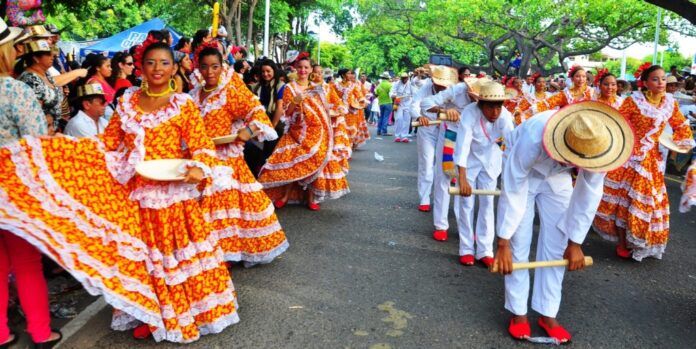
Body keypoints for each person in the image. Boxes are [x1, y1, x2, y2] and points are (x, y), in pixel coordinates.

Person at [0, 39, 241, 343]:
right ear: (140, 66)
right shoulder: (127, 102)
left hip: (173, 195)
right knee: (144, 259)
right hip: (137, 193)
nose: (157, 69)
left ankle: (183, 312)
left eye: (164, 63)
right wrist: (69, 150)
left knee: (174, 256)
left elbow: (202, 146)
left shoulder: (183, 104)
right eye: (151, 62)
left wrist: (199, 168)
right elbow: (109, 143)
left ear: (173, 69)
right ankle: (150, 315)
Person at [495, 101, 634, 343]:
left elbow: (587, 196)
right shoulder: (534, 135)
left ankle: (547, 313)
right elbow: (513, 188)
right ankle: (518, 313)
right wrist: (503, 242)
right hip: (524, 173)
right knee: (519, 240)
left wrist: (576, 242)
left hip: (558, 176)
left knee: (558, 244)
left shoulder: (600, 145)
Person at [190, 47, 288, 264]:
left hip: (226, 159)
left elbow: (257, 112)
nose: (209, 72)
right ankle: (208, 252)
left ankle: (226, 253)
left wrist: (249, 131)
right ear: (198, 68)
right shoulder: (192, 96)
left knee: (224, 206)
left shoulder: (229, 92)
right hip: (199, 158)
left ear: (222, 66)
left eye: (214, 66)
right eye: (204, 67)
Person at [0, 18, 63, 349]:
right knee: (26, 263)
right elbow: (38, 144)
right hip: (13, 192)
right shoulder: (14, 90)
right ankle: (40, 333)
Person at [592, 64, 695, 260]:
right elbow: (618, 124)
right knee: (623, 202)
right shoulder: (634, 101)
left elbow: (681, 125)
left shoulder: (670, 103)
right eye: (655, 79)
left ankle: (639, 241)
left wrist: (683, 143)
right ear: (645, 83)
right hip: (630, 158)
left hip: (653, 161)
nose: (661, 83)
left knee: (649, 203)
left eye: (663, 79)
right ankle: (623, 243)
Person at [257, 53, 333, 210]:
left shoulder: (316, 88)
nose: (303, 70)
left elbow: (325, 111)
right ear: (296, 68)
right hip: (295, 132)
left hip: (316, 132)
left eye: (306, 67)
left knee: (314, 161)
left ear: (311, 69)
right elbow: (286, 112)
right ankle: (284, 196)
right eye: (300, 67)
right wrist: (295, 101)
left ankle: (311, 198)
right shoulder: (289, 87)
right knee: (292, 163)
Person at [453, 82, 514, 267]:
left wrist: (513, 181)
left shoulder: (505, 116)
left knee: (487, 204)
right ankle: (466, 249)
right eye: (490, 107)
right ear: (481, 104)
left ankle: (485, 250)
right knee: (466, 204)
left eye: (498, 106)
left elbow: (512, 146)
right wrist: (462, 179)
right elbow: (462, 146)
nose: (495, 112)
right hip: (469, 162)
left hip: (491, 162)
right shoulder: (470, 113)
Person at [421, 78, 474, 241]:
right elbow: (425, 103)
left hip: (473, 141)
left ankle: (465, 227)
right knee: (444, 180)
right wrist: (443, 111)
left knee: (466, 184)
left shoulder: (492, 97)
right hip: (451, 135)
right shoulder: (457, 90)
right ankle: (441, 225)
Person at [413, 66, 457, 212]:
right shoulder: (425, 88)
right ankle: (424, 198)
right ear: (433, 80)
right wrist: (419, 117)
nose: (441, 87)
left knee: (443, 165)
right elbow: (414, 104)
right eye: (439, 83)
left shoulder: (453, 90)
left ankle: (441, 200)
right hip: (428, 128)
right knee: (426, 163)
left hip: (446, 129)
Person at [248, 58, 286, 175]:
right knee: (260, 150)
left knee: (270, 153)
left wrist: (272, 126)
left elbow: (279, 108)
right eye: (263, 71)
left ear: (274, 71)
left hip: (275, 123)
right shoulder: (257, 87)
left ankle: (269, 178)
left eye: (268, 71)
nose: (265, 74)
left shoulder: (280, 86)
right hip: (260, 122)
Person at [17, 39, 63, 134]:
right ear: (35, 58)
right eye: (48, 54)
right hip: (42, 133)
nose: (52, 57)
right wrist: (47, 122)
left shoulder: (47, 73)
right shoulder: (30, 79)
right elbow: (33, 115)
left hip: (54, 130)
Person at [334, 68, 363, 148]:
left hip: (351, 111)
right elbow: (332, 97)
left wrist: (362, 101)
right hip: (340, 111)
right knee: (341, 129)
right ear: (343, 75)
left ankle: (348, 148)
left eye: (351, 73)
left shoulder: (353, 85)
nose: (351, 75)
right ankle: (342, 148)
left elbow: (359, 95)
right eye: (348, 74)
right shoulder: (335, 85)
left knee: (351, 130)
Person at [390, 72, 417, 143]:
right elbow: (391, 92)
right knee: (399, 119)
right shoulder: (396, 83)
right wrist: (393, 95)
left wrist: (413, 98)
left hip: (408, 104)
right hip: (398, 103)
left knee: (407, 120)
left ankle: (404, 136)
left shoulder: (410, 84)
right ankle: (397, 136)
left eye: (405, 78)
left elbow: (414, 93)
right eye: (403, 78)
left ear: (407, 78)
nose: (404, 79)